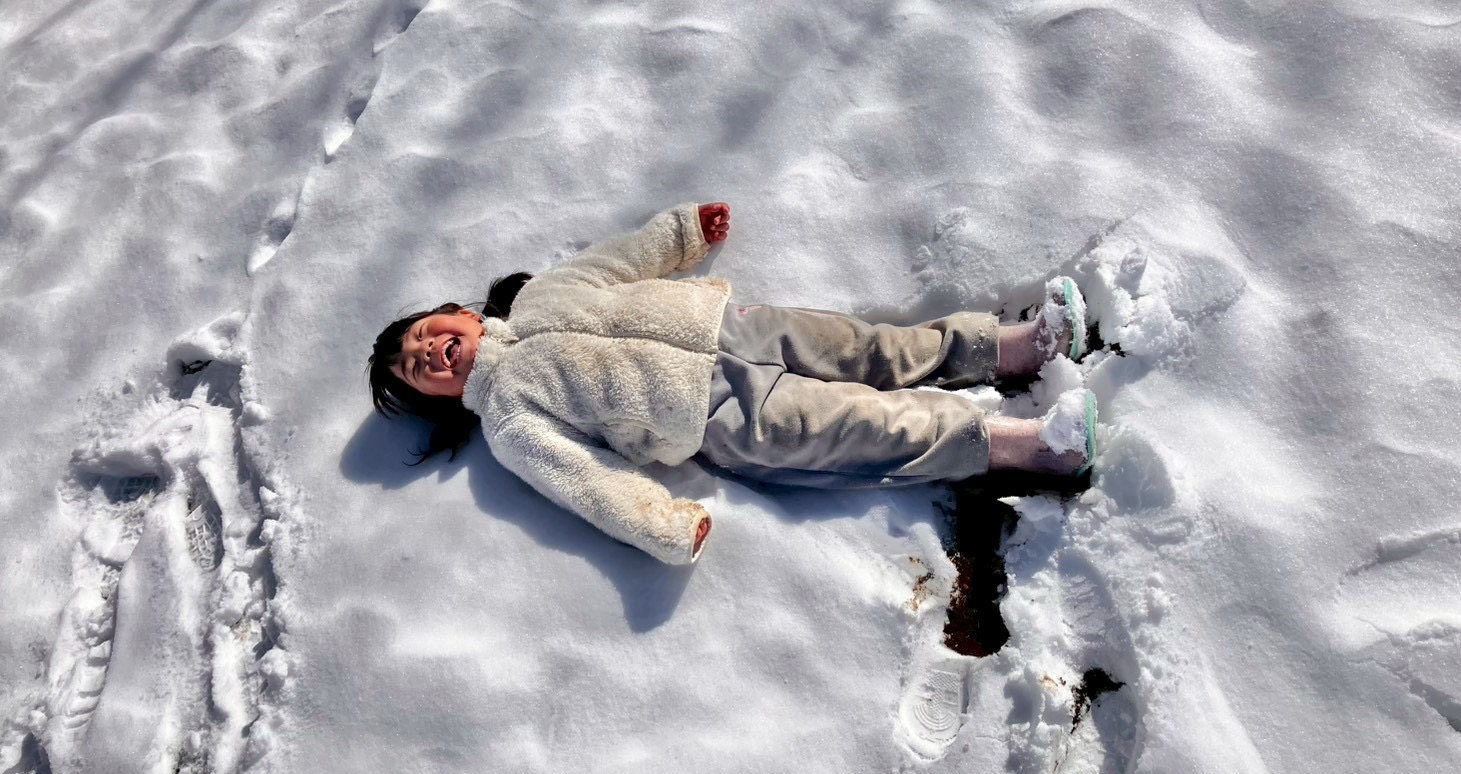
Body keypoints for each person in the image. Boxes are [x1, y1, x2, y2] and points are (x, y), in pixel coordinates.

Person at [367, 203, 1097, 565]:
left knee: (876, 347)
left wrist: (684, 230)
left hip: (737, 330)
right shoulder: (510, 421)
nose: (426, 352)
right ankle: (1036, 451)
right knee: (866, 426)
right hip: (723, 417)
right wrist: (660, 526)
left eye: (422, 334)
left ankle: (1017, 349)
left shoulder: (541, 295)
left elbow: (619, 260)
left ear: (459, 315)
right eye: (413, 369)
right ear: (439, 400)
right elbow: (588, 481)